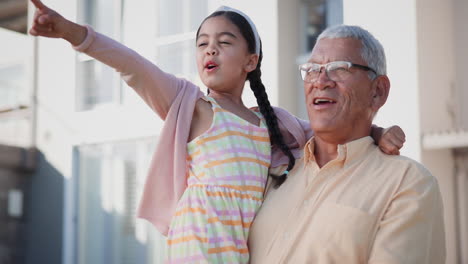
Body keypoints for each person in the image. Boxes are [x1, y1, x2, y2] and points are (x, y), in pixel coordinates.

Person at [29, 1, 406, 262]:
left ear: (250, 61)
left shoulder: (271, 123)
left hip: (243, 251)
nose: (210, 51)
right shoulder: (191, 105)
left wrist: (376, 131)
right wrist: (70, 31)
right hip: (197, 249)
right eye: (203, 44)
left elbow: (330, 131)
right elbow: (132, 65)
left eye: (224, 43)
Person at [248, 24, 446, 264]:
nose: (320, 81)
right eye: (311, 69)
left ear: (378, 92)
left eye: (339, 68)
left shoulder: (407, 183)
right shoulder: (274, 170)